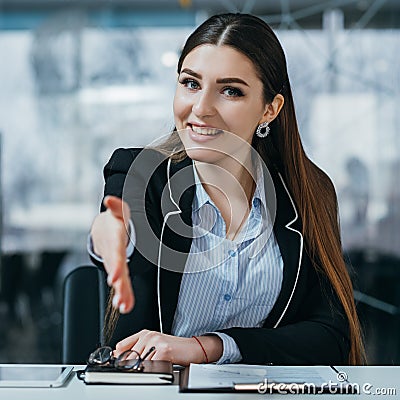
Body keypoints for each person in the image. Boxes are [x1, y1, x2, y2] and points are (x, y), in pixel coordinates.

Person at [89, 13, 365, 366]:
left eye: (230, 91)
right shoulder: (140, 175)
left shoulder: (309, 193)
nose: (201, 108)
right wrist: (109, 234)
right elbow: (119, 230)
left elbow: (331, 337)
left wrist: (209, 347)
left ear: (270, 109)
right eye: (191, 84)